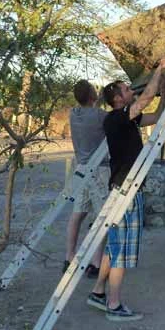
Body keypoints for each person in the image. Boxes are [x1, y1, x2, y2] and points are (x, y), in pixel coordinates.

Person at [86, 55, 165, 322]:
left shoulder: (129, 120)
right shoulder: (115, 119)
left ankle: (98, 292)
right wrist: (160, 67)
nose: (131, 91)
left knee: (113, 247)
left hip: (122, 191)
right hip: (126, 193)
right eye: (126, 89)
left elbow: (156, 114)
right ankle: (114, 305)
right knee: (121, 252)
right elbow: (145, 99)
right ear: (118, 100)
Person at [65, 80, 110, 278]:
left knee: (78, 212)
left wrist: (95, 100)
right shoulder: (101, 116)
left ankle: (69, 256)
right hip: (99, 169)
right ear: (93, 96)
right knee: (102, 217)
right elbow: (105, 117)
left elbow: (91, 111)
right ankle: (95, 262)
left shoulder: (73, 114)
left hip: (81, 169)